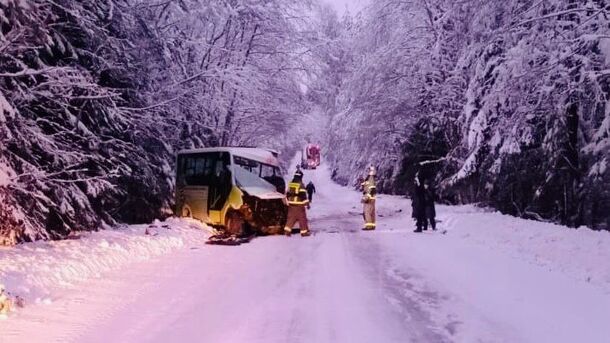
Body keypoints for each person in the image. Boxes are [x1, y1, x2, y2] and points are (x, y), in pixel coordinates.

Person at [284, 168, 311, 237]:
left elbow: (287, 194)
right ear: (300, 176)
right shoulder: (300, 184)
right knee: (302, 219)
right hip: (299, 205)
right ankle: (304, 233)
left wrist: (288, 201)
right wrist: (307, 204)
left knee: (291, 218)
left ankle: (287, 231)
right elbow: (303, 196)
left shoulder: (291, 184)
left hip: (291, 205)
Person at [361, 166, 377, 231]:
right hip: (371, 197)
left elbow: (370, 189)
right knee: (372, 212)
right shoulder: (370, 178)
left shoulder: (370, 178)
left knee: (367, 212)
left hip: (369, 197)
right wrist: (362, 183)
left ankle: (369, 226)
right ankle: (372, 225)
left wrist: (367, 197)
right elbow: (366, 186)